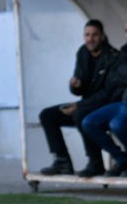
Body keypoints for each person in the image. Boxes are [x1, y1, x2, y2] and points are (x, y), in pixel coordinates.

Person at [38, 19, 119, 177]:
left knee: (81, 115)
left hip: (105, 106)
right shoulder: (83, 52)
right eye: (87, 35)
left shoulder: (112, 57)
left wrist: (79, 105)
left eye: (94, 35)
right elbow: (81, 88)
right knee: (47, 115)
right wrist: (75, 85)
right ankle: (62, 161)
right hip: (84, 104)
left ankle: (96, 164)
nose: (90, 39)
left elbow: (108, 94)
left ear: (102, 36)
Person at [79, 24, 127, 177]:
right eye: (126, 30)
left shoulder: (115, 54)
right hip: (123, 102)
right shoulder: (124, 51)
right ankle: (122, 159)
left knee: (117, 124)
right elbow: (115, 79)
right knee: (88, 122)